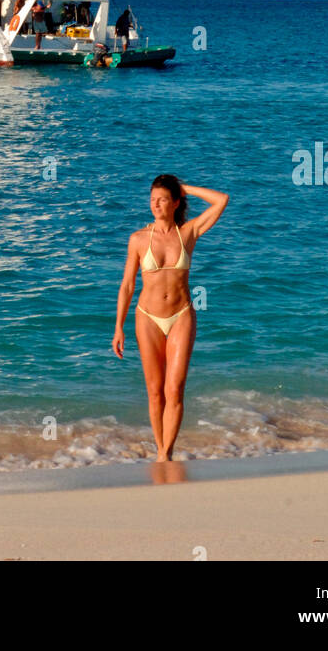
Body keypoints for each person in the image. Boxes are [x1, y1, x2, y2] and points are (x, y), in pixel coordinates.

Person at [113, 174, 229, 461]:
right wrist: (118, 327)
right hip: (147, 317)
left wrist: (184, 187)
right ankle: (160, 450)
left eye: (163, 199)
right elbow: (127, 284)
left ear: (176, 203)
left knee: (174, 389)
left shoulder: (187, 233)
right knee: (155, 392)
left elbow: (221, 200)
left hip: (181, 315)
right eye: (152, 200)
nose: (156, 205)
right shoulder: (138, 239)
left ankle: (166, 453)